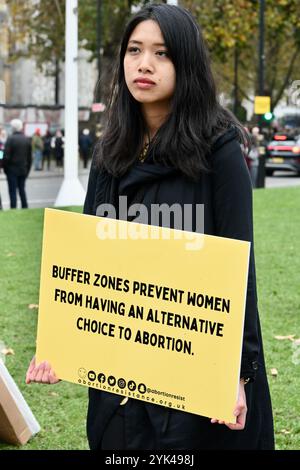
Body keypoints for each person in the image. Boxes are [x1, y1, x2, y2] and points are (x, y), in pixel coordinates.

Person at [26, 3, 274, 450]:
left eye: (162, 53)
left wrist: (237, 374)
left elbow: (240, 272)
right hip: (121, 372)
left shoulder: (219, 152)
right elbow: (86, 261)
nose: (144, 64)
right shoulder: (109, 152)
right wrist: (58, 342)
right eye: (135, 50)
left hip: (195, 371)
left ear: (187, 64)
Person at [3, 119, 32, 209]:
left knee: (12, 191)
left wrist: (5, 168)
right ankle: (25, 206)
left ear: (13, 128)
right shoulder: (26, 139)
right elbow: (30, 157)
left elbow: (6, 156)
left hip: (12, 170)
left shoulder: (10, 139)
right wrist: (27, 170)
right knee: (22, 189)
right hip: (23, 169)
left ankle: (13, 207)